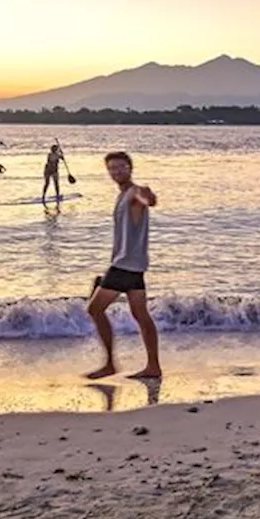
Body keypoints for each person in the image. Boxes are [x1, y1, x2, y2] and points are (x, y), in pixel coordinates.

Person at [85, 151, 161, 379]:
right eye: (112, 168)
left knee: (94, 309)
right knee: (141, 315)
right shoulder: (121, 196)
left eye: (121, 167)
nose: (117, 172)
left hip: (126, 265)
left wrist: (149, 197)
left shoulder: (133, 193)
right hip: (134, 265)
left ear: (130, 168)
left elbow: (147, 199)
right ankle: (153, 367)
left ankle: (110, 364)